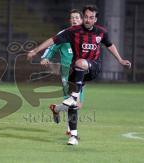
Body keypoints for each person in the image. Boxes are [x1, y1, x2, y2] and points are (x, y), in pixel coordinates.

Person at [27, 5, 131, 145]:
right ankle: (73, 136)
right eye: (86, 17)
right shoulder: (72, 32)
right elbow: (53, 41)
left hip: (93, 68)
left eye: (91, 17)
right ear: (84, 18)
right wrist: (36, 51)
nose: (88, 20)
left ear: (95, 19)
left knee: (80, 66)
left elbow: (110, 44)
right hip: (75, 73)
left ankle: (71, 98)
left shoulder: (101, 32)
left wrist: (120, 59)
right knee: (73, 105)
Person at [40, 9, 83, 137]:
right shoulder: (64, 34)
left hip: (81, 73)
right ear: (70, 20)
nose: (75, 19)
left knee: (78, 104)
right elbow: (53, 46)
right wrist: (46, 57)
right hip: (67, 71)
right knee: (72, 102)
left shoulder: (86, 35)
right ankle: (71, 131)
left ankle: (56, 108)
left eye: (77, 17)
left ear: (81, 20)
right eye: (72, 18)